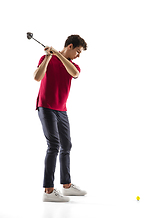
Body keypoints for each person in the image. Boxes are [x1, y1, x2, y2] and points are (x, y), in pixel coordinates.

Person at [34, 35, 87, 202]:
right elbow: (37, 77)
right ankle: (48, 191)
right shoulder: (47, 58)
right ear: (70, 46)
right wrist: (50, 56)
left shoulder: (72, 64)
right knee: (54, 145)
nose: (78, 55)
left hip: (61, 110)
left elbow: (75, 73)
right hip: (46, 106)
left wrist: (58, 53)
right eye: (78, 51)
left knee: (66, 145)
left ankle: (66, 185)